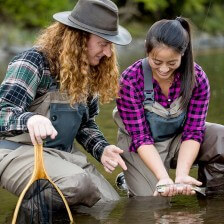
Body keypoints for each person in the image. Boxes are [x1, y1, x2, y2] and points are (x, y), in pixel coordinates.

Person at [0, 0, 131, 209]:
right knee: (78, 185)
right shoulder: (33, 61)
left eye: (110, 45)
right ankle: (28, 215)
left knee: (109, 206)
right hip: (15, 153)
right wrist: (29, 118)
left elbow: (85, 125)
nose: (107, 53)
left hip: (64, 156)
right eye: (103, 43)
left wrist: (102, 149)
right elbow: (3, 111)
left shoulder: (88, 71)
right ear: (79, 39)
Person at [113, 17, 224, 197]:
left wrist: (181, 174)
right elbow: (141, 137)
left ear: (183, 54)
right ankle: (130, 179)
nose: (164, 69)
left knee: (221, 139)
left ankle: (210, 200)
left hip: (178, 139)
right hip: (139, 145)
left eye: (172, 63)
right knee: (152, 201)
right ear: (147, 52)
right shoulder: (130, 80)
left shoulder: (198, 78)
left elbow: (194, 132)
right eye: (156, 62)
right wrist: (163, 178)